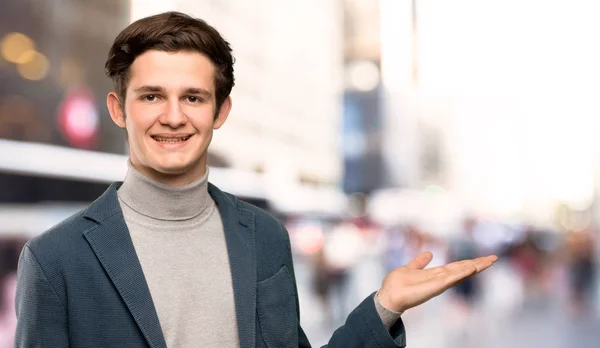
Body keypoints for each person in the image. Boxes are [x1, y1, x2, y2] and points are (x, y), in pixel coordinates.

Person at [14, 11, 497, 348]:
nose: (174, 117)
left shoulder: (264, 237)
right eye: (152, 96)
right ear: (119, 109)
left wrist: (385, 306)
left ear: (221, 110)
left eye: (194, 98)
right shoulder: (56, 260)